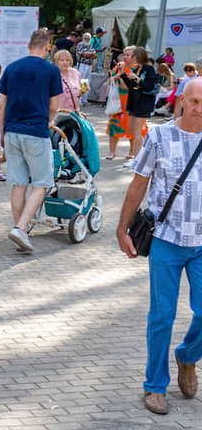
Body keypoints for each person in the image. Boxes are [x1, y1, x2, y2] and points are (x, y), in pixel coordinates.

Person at [117, 78, 202, 416]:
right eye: (194, 101)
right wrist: (122, 229)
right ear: (181, 100)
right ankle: (155, 386)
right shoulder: (160, 136)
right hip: (167, 239)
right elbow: (139, 183)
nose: (199, 108)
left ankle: (187, 356)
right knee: (162, 316)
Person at [0, 29, 62, 253]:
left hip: (12, 131)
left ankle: (20, 231)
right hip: (36, 131)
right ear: (47, 47)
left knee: (18, 184)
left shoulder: (11, 68)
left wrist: (2, 131)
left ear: (28, 45)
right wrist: (50, 120)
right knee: (43, 183)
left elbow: (2, 104)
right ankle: (21, 228)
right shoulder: (52, 70)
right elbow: (54, 105)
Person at [107, 46, 147, 160]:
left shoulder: (138, 68)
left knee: (134, 128)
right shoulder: (119, 66)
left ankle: (132, 151)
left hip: (133, 102)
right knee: (114, 126)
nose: (125, 57)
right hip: (118, 102)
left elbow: (140, 85)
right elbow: (110, 81)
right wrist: (118, 75)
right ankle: (112, 151)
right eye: (124, 54)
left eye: (128, 55)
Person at [120, 46, 156, 163]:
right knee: (131, 130)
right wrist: (123, 75)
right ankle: (139, 156)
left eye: (133, 56)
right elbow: (130, 86)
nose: (131, 58)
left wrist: (137, 79)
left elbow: (149, 86)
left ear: (138, 56)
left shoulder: (149, 69)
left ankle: (138, 159)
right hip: (133, 102)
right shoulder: (136, 69)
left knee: (137, 132)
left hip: (143, 103)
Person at [74, 33, 97, 103]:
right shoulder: (80, 44)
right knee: (80, 81)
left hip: (89, 65)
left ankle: (84, 99)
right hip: (82, 64)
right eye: (85, 38)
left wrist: (88, 55)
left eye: (88, 38)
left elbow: (95, 55)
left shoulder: (90, 45)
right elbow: (83, 54)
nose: (87, 40)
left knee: (86, 82)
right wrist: (90, 55)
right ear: (83, 38)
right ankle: (79, 99)